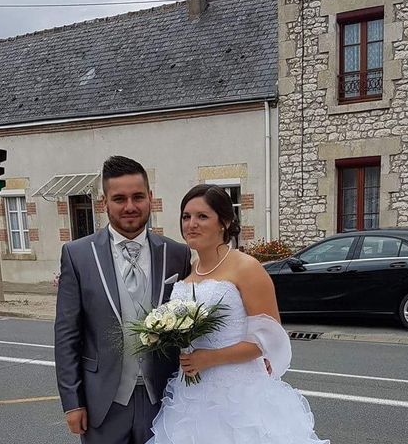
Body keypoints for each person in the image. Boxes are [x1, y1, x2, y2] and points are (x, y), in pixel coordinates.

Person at [146, 184, 330, 443]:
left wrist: (210, 359)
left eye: (202, 216)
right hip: (192, 393)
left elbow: (268, 338)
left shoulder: (246, 267)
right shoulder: (190, 268)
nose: (191, 224)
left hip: (239, 394)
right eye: (186, 217)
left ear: (224, 222)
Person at [55, 156, 192, 444]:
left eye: (137, 196)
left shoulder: (177, 254)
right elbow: (67, 334)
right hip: (103, 402)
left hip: (163, 399)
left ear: (150, 198)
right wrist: (72, 401)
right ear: (105, 202)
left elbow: (190, 327)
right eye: (119, 198)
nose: (130, 206)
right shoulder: (78, 255)